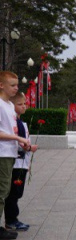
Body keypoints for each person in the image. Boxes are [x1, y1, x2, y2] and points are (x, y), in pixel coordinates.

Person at [0, 72, 31, 240]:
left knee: (5, 190)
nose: (16, 88)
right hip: (2, 153)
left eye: (17, 85)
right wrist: (18, 138)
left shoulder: (9, 106)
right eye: (12, 85)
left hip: (10, 152)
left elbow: (11, 129)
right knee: (2, 190)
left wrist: (21, 143)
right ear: (1, 85)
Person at [5, 92, 37, 231]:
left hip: (22, 163)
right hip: (16, 163)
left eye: (25, 103)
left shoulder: (20, 122)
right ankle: (11, 220)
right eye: (20, 104)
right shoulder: (14, 123)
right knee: (13, 193)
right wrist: (29, 148)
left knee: (17, 193)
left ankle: (12, 219)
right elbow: (18, 144)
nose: (24, 106)